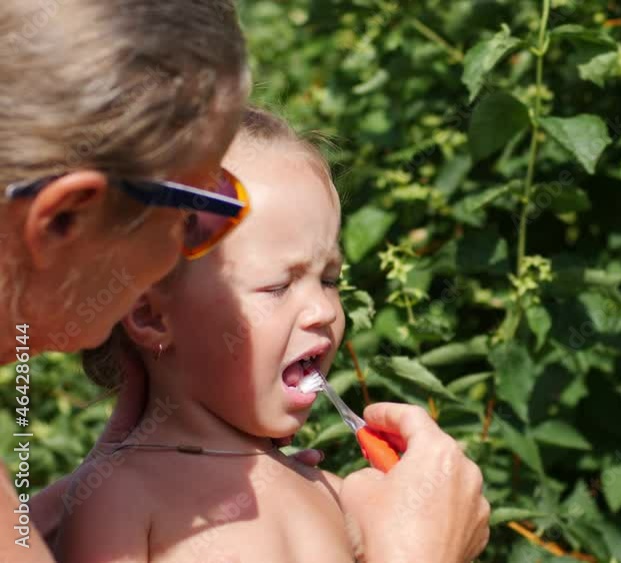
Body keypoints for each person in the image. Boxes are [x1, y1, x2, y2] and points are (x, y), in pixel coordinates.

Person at [0, 2, 488, 562]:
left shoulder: (330, 492)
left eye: (330, 279)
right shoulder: (125, 498)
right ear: (63, 217)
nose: (322, 311)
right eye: (198, 215)